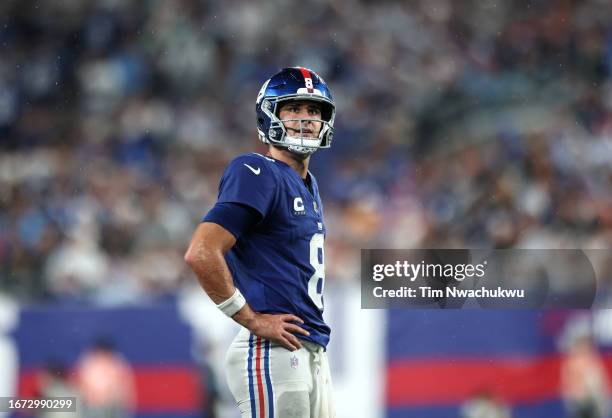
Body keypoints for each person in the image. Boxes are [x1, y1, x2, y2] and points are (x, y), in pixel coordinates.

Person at [185, 66, 336, 418]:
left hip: (310, 349)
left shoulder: (308, 184)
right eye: (293, 109)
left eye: (314, 111)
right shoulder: (257, 171)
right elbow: (202, 251)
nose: (305, 119)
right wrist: (252, 319)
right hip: (273, 350)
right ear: (269, 114)